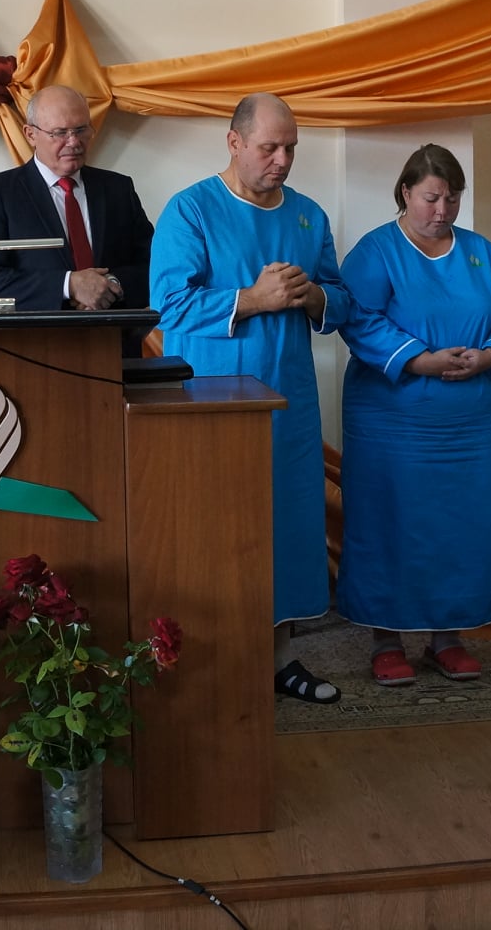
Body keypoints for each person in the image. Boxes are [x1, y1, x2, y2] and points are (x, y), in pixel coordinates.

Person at [149, 93, 352, 704]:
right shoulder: (190, 210)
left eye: (291, 148)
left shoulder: (308, 215)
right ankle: (214, 666)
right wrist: (254, 299)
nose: (282, 160)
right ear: (234, 143)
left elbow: (342, 300)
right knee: (218, 529)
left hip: (289, 402)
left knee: (287, 523)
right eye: (269, 147)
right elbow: (170, 305)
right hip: (213, 404)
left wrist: (313, 297)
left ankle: (281, 658)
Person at [337, 145, 491, 685]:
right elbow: (359, 319)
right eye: (431, 198)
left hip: (470, 426)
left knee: (462, 526)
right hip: (392, 425)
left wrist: (488, 354)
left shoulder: (479, 251)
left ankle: (448, 637)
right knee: (391, 524)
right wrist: (420, 360)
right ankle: (386, 640)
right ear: (405, 192)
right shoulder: (376, 251)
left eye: (453, 198)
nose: (443, 210)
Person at [0, 85, 153, 312]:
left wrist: (110, 285)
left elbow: (156, 266)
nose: (74, 142)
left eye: (81, 129)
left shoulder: (118, 188)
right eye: (60, 133)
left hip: (113, 330)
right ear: (30, 134)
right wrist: (68, 285)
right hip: (38, 332)